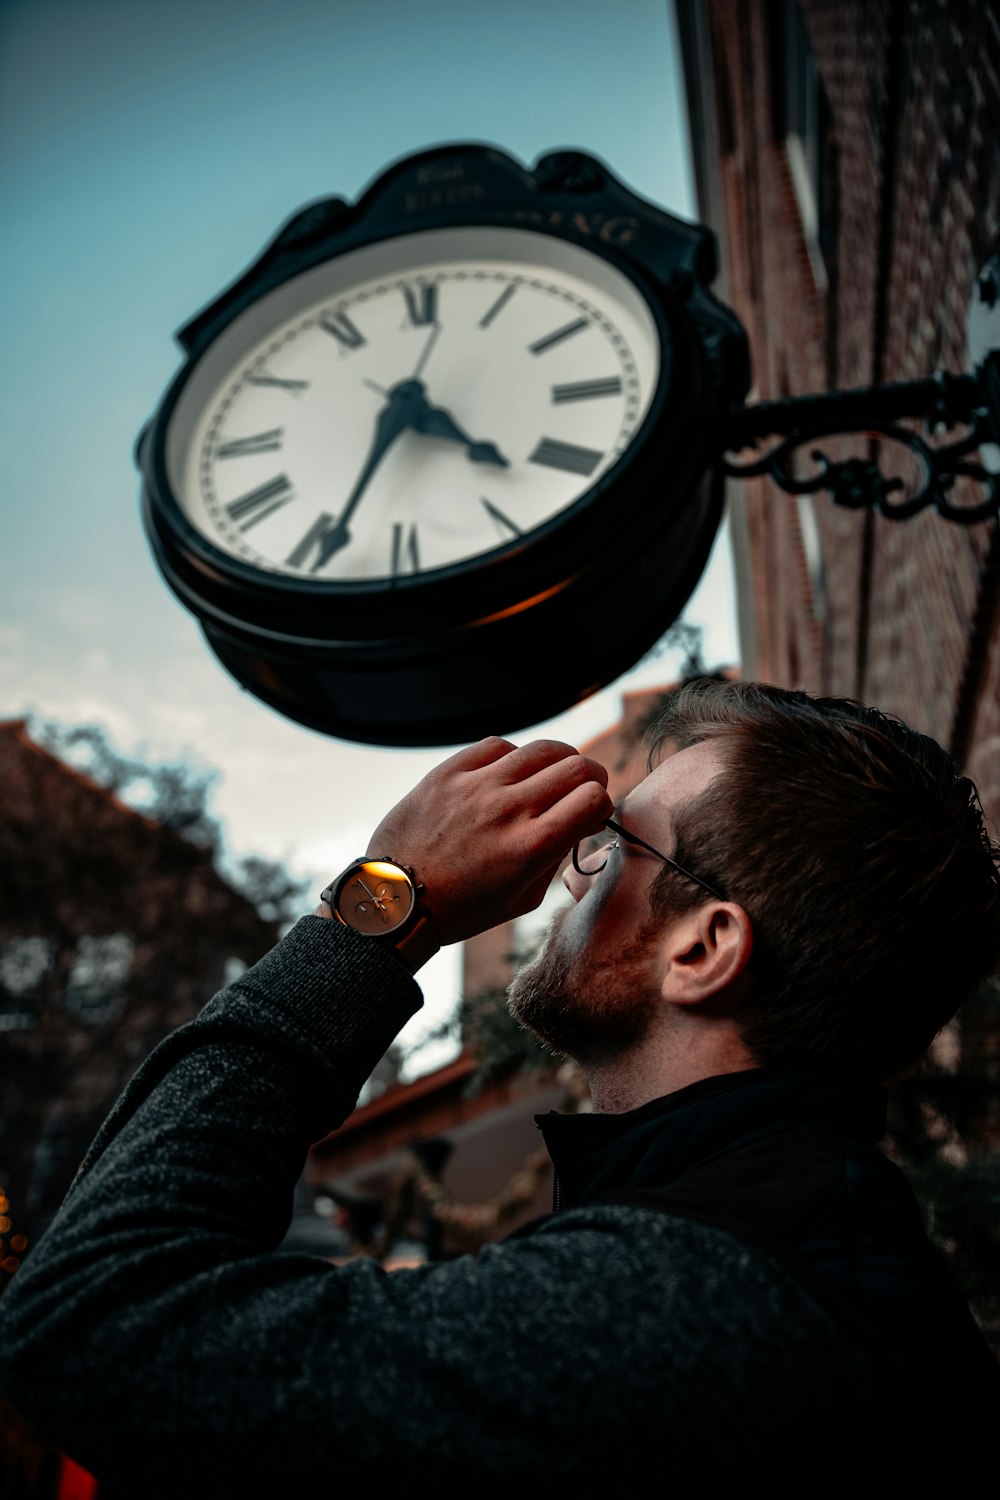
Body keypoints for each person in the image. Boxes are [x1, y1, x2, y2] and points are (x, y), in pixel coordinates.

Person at [3, 680, 999, 1495]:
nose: (574, 877)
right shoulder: (781, 1253)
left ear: (703, 947)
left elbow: (90, 1321)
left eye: (620, 847)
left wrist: (381, 905)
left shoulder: (689, 1302)